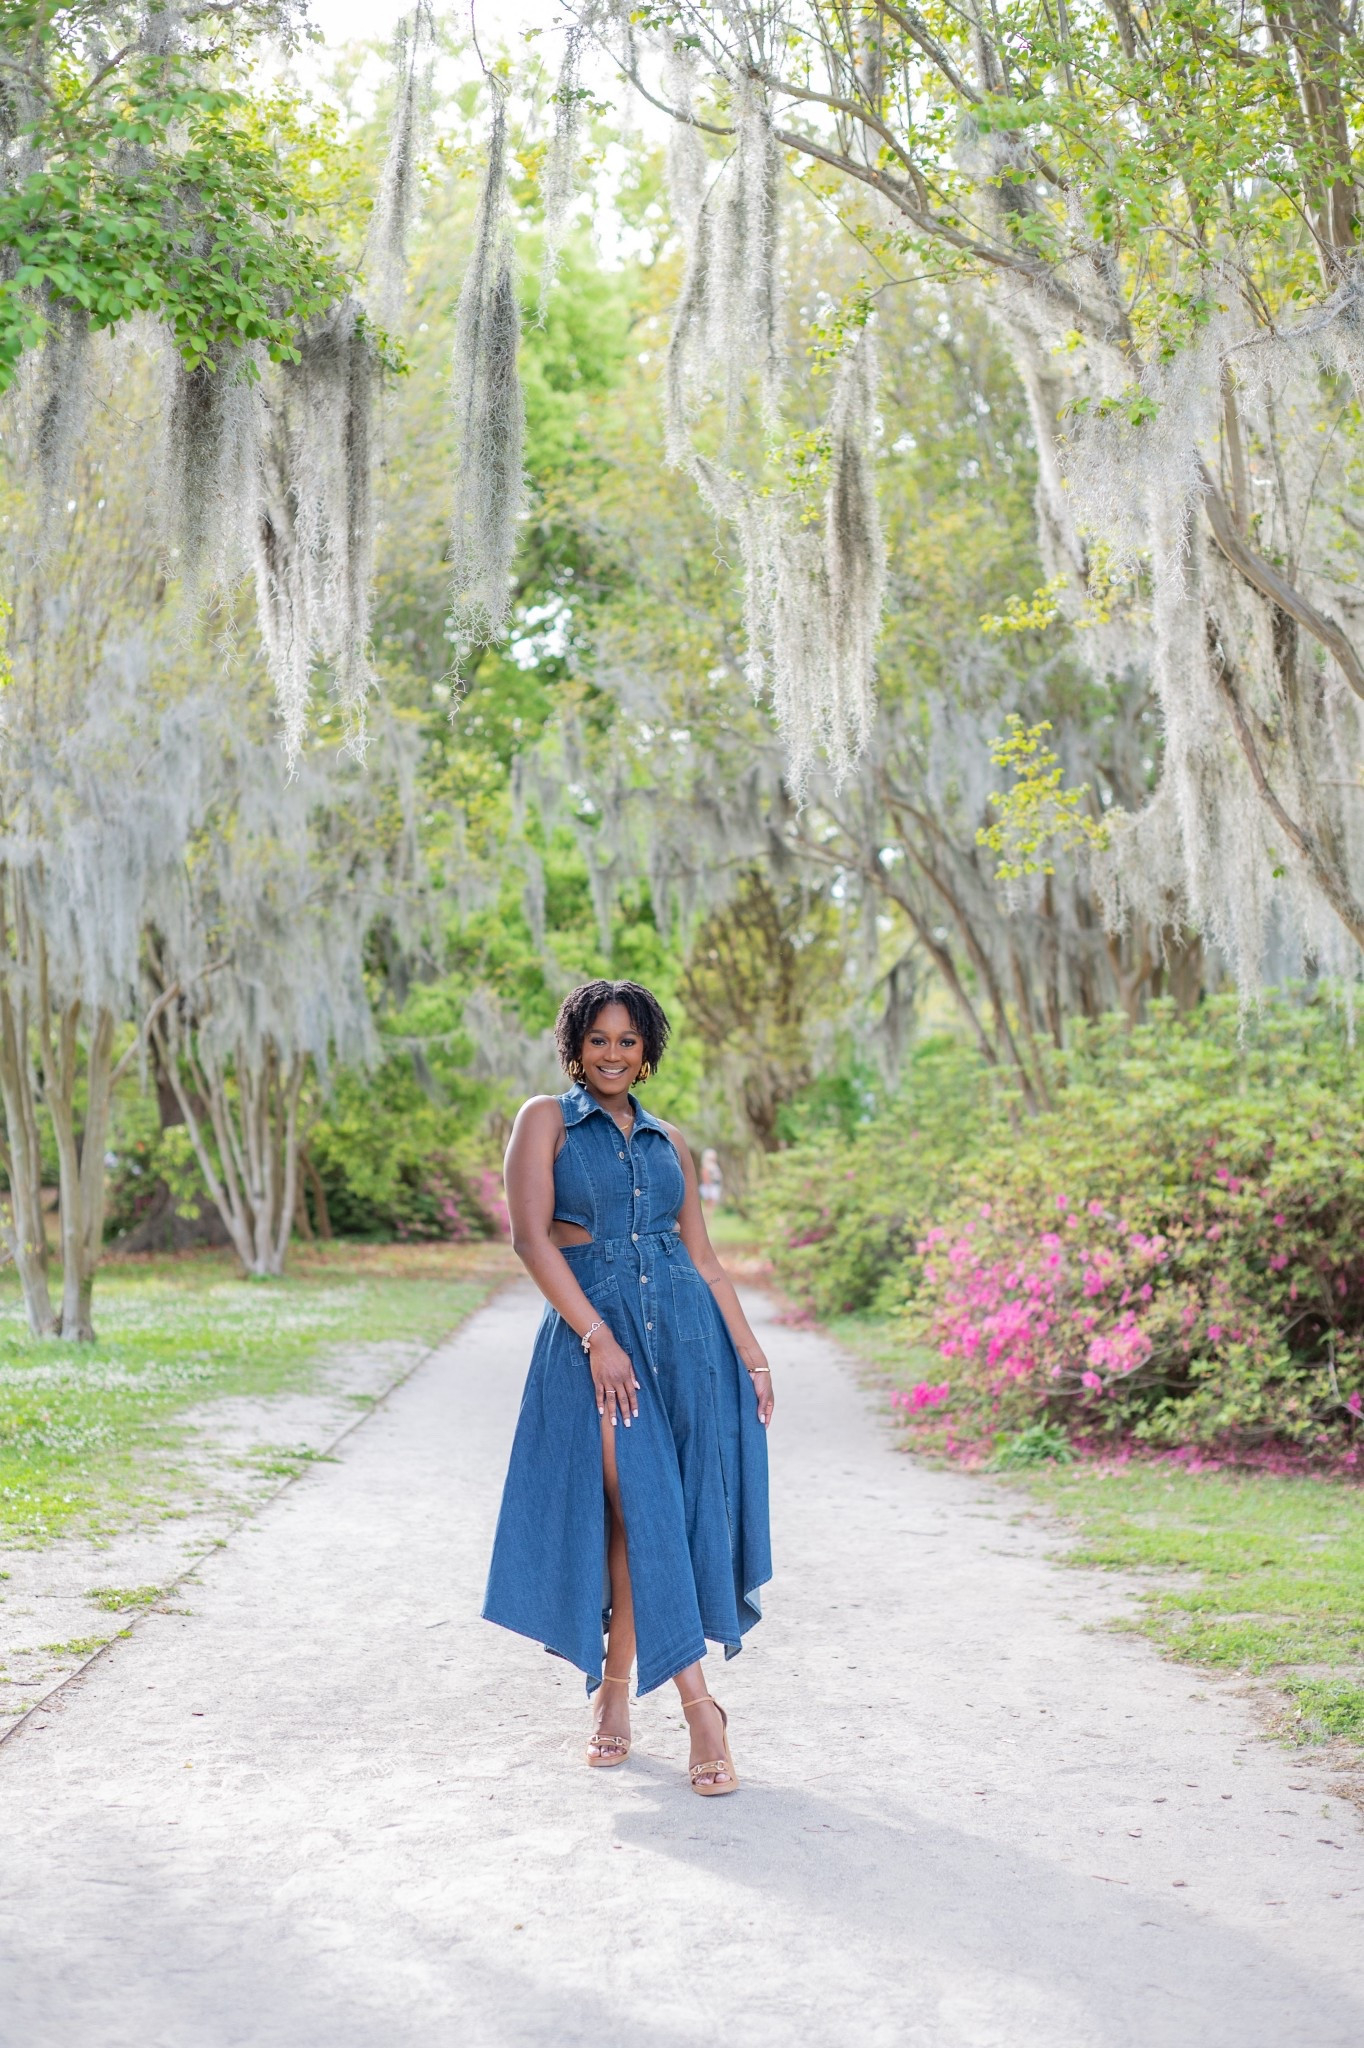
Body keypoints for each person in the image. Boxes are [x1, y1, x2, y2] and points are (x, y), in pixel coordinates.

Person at [483, 980, 773, 1796]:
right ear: (576, 1045)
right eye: (600, 1040)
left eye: (629, 1041)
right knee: (641, 1494)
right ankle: (700, 1710)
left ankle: (614, 1697)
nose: (614, 1054)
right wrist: (597, 1337)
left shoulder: (668, 1142)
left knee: (641, 1516)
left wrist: (750, 1354)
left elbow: (705, 1260)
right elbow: (529, 1239)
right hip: (595, 1341)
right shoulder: (544, 1119)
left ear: (648, 1052)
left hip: (685, 1341)